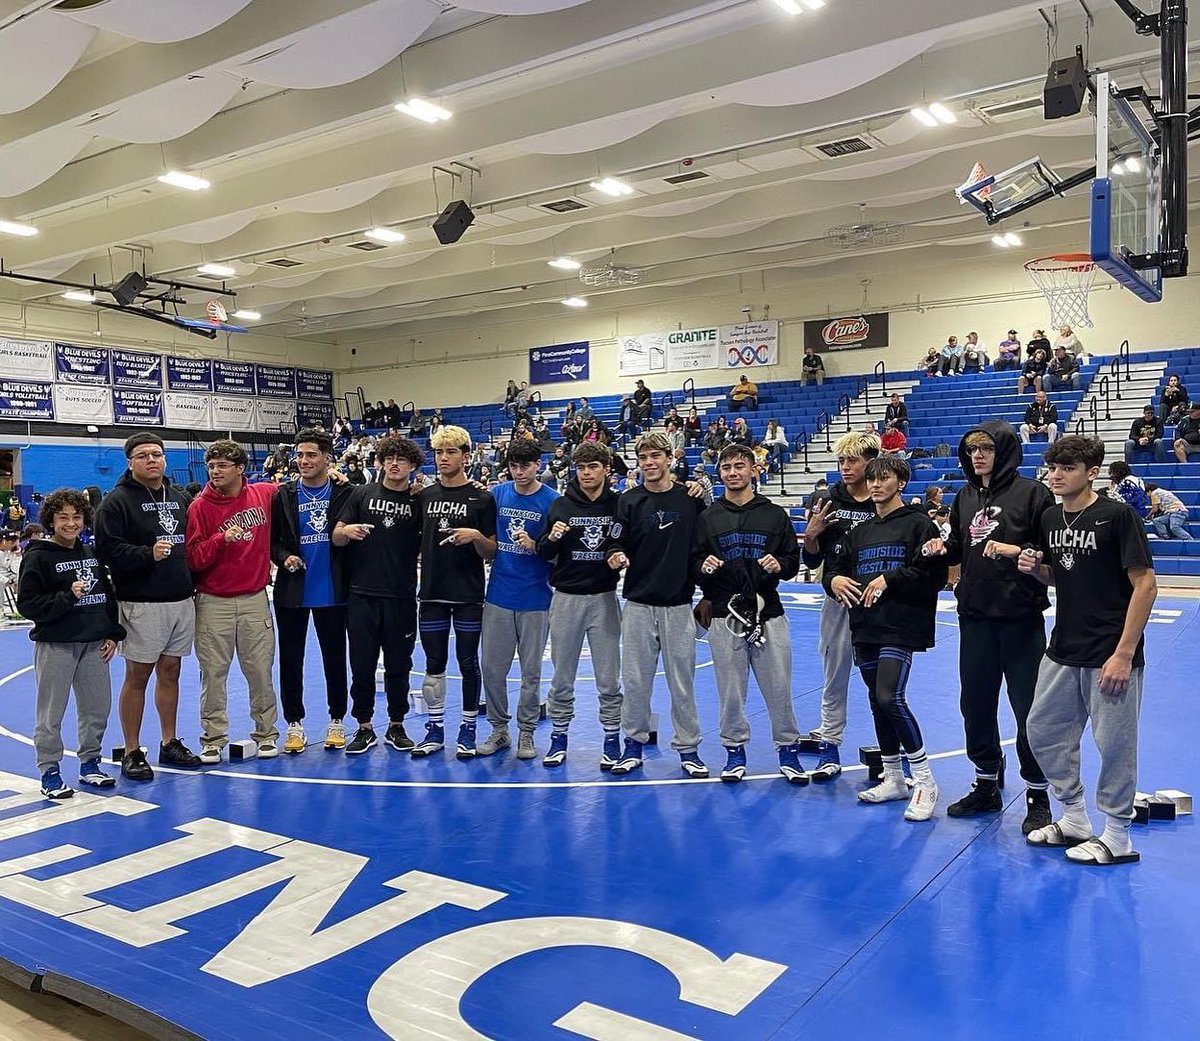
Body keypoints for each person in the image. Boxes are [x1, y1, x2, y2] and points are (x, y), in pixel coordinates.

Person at [988, 436, 1156, 865]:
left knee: (1114, 744)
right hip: (1063, 648)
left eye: (1067, 468)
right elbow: (1063, 576)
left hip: (1109, 652)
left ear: (1091, 472)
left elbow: (1145, 585)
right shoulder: (1050, 518)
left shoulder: (1116, 516)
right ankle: (1075, 816)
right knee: (1040, 730)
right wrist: (1036, 569)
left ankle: (1117, 834)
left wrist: (1123, 653)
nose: (1056, 475)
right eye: (1052, 467)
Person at [921, 423, 1056, 832]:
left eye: (985, 447)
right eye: (970, 448)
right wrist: (942, 549)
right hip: (975, 617)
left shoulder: (1034, 493)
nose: (977, 454)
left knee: (1029, 710)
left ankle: (1037, 793)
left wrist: (1020, 552)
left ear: (1005, 449)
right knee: (975, 705)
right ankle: (986, 782)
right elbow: (963, 547)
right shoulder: (964, 496)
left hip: (1020, 617)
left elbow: (1051, 550)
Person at [826, 456, 946, 820]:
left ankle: (924, 780)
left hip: (900, 624)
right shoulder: (859, 531)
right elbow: (834, 568)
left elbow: (934, 575)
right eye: (872, 478)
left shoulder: (918, 524)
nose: (876, 484)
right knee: (877, 701)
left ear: (901, 482)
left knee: (888, 695)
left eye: (885, 478)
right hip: (865, 625)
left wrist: (889, 579)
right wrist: (832, 581)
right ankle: (892, 776)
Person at [693, 443, 806, 784]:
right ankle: (734, 751)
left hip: (767, 612)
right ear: (720, 473)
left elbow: (791, 563)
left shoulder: (774, 514)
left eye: (739, 466)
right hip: (723, 615)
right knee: (729, 689)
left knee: (779, 687)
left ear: (753, 469)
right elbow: (693, 563)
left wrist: (780, 563)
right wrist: (703, 565)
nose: (732, 472)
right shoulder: (708, 518)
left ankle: (788, 751)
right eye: (725, 467)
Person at [92, 431, 201, 781]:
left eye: (157, 454)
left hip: (181, 599)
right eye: (143, 456)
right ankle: (132, 749)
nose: (152, 460)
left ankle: (169, 741)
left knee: (171, 671)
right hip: (142, 602)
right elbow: (107, 552)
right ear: (130, 462)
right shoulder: (117, 502)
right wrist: (145, 554)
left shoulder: (178, 496)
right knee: (137, 676)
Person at [606, 432, 707, 777]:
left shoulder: (690, 499)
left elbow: (702, 546)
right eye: (643, 457)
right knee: (635, 680)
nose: (649, 463)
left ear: (669, 458)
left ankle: (688, 748)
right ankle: (632, 745)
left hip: (678, 603)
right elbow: (614, 543)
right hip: (637, 603)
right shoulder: (629, 500)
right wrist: (616, 555)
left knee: (682, 681)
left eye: (655, 456)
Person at [17, 489, 124, 799]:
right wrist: (67, 596)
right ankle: (49, 770)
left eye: (76, 517)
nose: (71, 523)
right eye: (63, 517)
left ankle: (90, 764)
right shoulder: (38, 556)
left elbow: (106, 595)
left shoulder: (89, 553)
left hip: (93, 643)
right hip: (57, 644)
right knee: (51, 712)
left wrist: (112, 631)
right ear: (51, 519)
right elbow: (28, 604)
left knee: (96, 708)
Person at [185, 439, 280, 763]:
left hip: (254, 599)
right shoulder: (200, 507)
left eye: (222, 465)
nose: (215, 472)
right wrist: (220, 539)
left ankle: (266, 734)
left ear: (240, 469)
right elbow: (193, 558)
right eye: (211, 466)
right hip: (213, 602)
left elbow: (299, 489)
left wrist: (335, 475)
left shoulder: (263, 494)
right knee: (212, 675)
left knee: (260, 672)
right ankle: (212, 739)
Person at [333, 435, 425, 755]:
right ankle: (364, 726)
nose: (394, 463)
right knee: (361, 664)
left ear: (412, 466)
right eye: (389, 457)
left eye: (401, 459)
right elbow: (336, 535)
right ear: (381, 461)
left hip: (400, 595)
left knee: (399, 663)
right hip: (362, 594)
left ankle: (397, 724)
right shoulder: (361, 494)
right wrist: (346, 531)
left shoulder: (419, 501)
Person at [536, 443, 624, 768]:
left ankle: (612, 739)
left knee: (608, 678)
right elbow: (543, 552)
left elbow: (627, 541)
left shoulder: (619, 504)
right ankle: (558, 738)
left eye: (593, 467)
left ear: (605, 469)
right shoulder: (560, 505)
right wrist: (553, 538)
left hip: (604, 598)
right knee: (561, 676)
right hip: (566, 599)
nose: (587, 473)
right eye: (582, 467)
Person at [799, 432, 880, 780]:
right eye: (841, 461)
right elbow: (812, 557)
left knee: (883, 681)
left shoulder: (883, 497)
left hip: (877, 601)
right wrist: (813, 534)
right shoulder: (830, 500)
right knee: (834, 674)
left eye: (852, 461)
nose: (845, 468)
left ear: (870, 462)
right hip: (837, 599)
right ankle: (829, 744)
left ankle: (893, 749)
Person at [415, 425, 498, 759]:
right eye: (438, 452)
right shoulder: (424, 495)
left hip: (468, 594)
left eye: (451, 452)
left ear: (466, 455)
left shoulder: (482, 497)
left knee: (467, 662)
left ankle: (467, 730)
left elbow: (491, 551)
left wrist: (475, 537)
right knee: (434, 664)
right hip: (432, 592)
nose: (444, 458)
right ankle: (434, 729)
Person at [270, 428, 353, 755]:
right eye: (300, 454)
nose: (303, 461)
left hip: (334, 588)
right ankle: (294, 723)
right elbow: (273, 540)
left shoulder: (345, 493)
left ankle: (336, 720)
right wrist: (283, 557)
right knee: (291, 659)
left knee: (335, 658)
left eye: (311, 455)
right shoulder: (284, 495)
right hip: (293, 590)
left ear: (327, 459)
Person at [478, 439, 557, 759]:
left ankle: (526, 732)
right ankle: (499, 730)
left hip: (536, 597)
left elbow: (557, 553)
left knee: (530, 672)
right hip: (498, 593)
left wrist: (537, 545)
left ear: (538, 464)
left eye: (526, 465)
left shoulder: (553, 501)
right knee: (492, 669)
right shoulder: (497, 494)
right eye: (514, 465)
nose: (520, 472)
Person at [0, 529, 19, 617]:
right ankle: (0, 609)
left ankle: (23, 607)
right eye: (12, 542)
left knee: (23, 577)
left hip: (7, 573)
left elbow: (17, 569)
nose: (14, 544)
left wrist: (17, 556)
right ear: (4, 541)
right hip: (1, 576)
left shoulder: (11, 551)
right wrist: (6, 580)